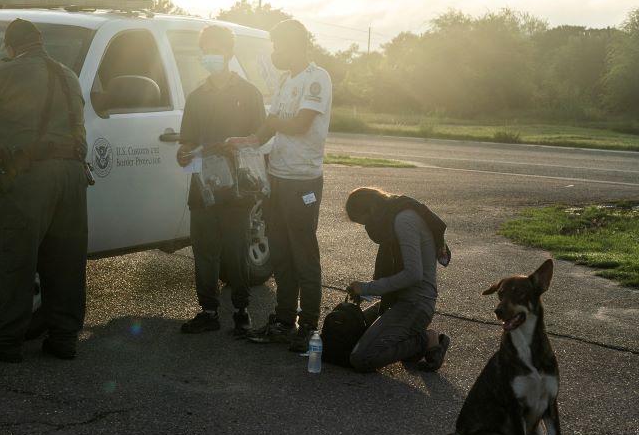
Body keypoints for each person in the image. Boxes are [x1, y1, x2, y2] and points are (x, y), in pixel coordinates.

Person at [0, 18, 89, 363]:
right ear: (40, 42)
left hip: (30, 176)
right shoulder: (68, 75)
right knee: (66, 262)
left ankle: (6, 342)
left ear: (10, 46)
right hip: (72, 175)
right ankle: (64, 339)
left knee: (16, 261)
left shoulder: (8, 71)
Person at [227, 19, 332, 352]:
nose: (274, 52)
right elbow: (272, 128)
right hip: (278, 178)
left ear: (296, 45)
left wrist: (272, 123)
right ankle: (284, 320)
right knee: (282, 255)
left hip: (303, 181)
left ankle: (309, 327)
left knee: (304, 255)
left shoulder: (317, 79)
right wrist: (250, 140)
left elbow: (300, 125)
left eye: (278, 45)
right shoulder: (287, 81)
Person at [176, 25, 266, 336]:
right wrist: (184, 154)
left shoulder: (249, 93)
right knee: (203, 250)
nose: (208, 57)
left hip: (237, 187)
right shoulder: (197, 96)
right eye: (205, 51)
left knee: (236, 250)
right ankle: (208, 311)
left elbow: (262, 139)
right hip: (203, 186)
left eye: (214, 50)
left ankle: (242, 311)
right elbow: (186, 142)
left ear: (228, 52)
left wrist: (243, 145)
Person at [344, 187, 452, 372]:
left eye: (364, 222)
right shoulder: (391, 215)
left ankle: (426, 339)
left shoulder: (404, 220)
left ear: (371, 210)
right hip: (397, 299)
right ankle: (406, 341)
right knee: (349, 335)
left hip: (415, 303)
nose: (367, 228)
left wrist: (367, 288)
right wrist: (364, 292)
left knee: (361, 358)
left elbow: (413, 274)